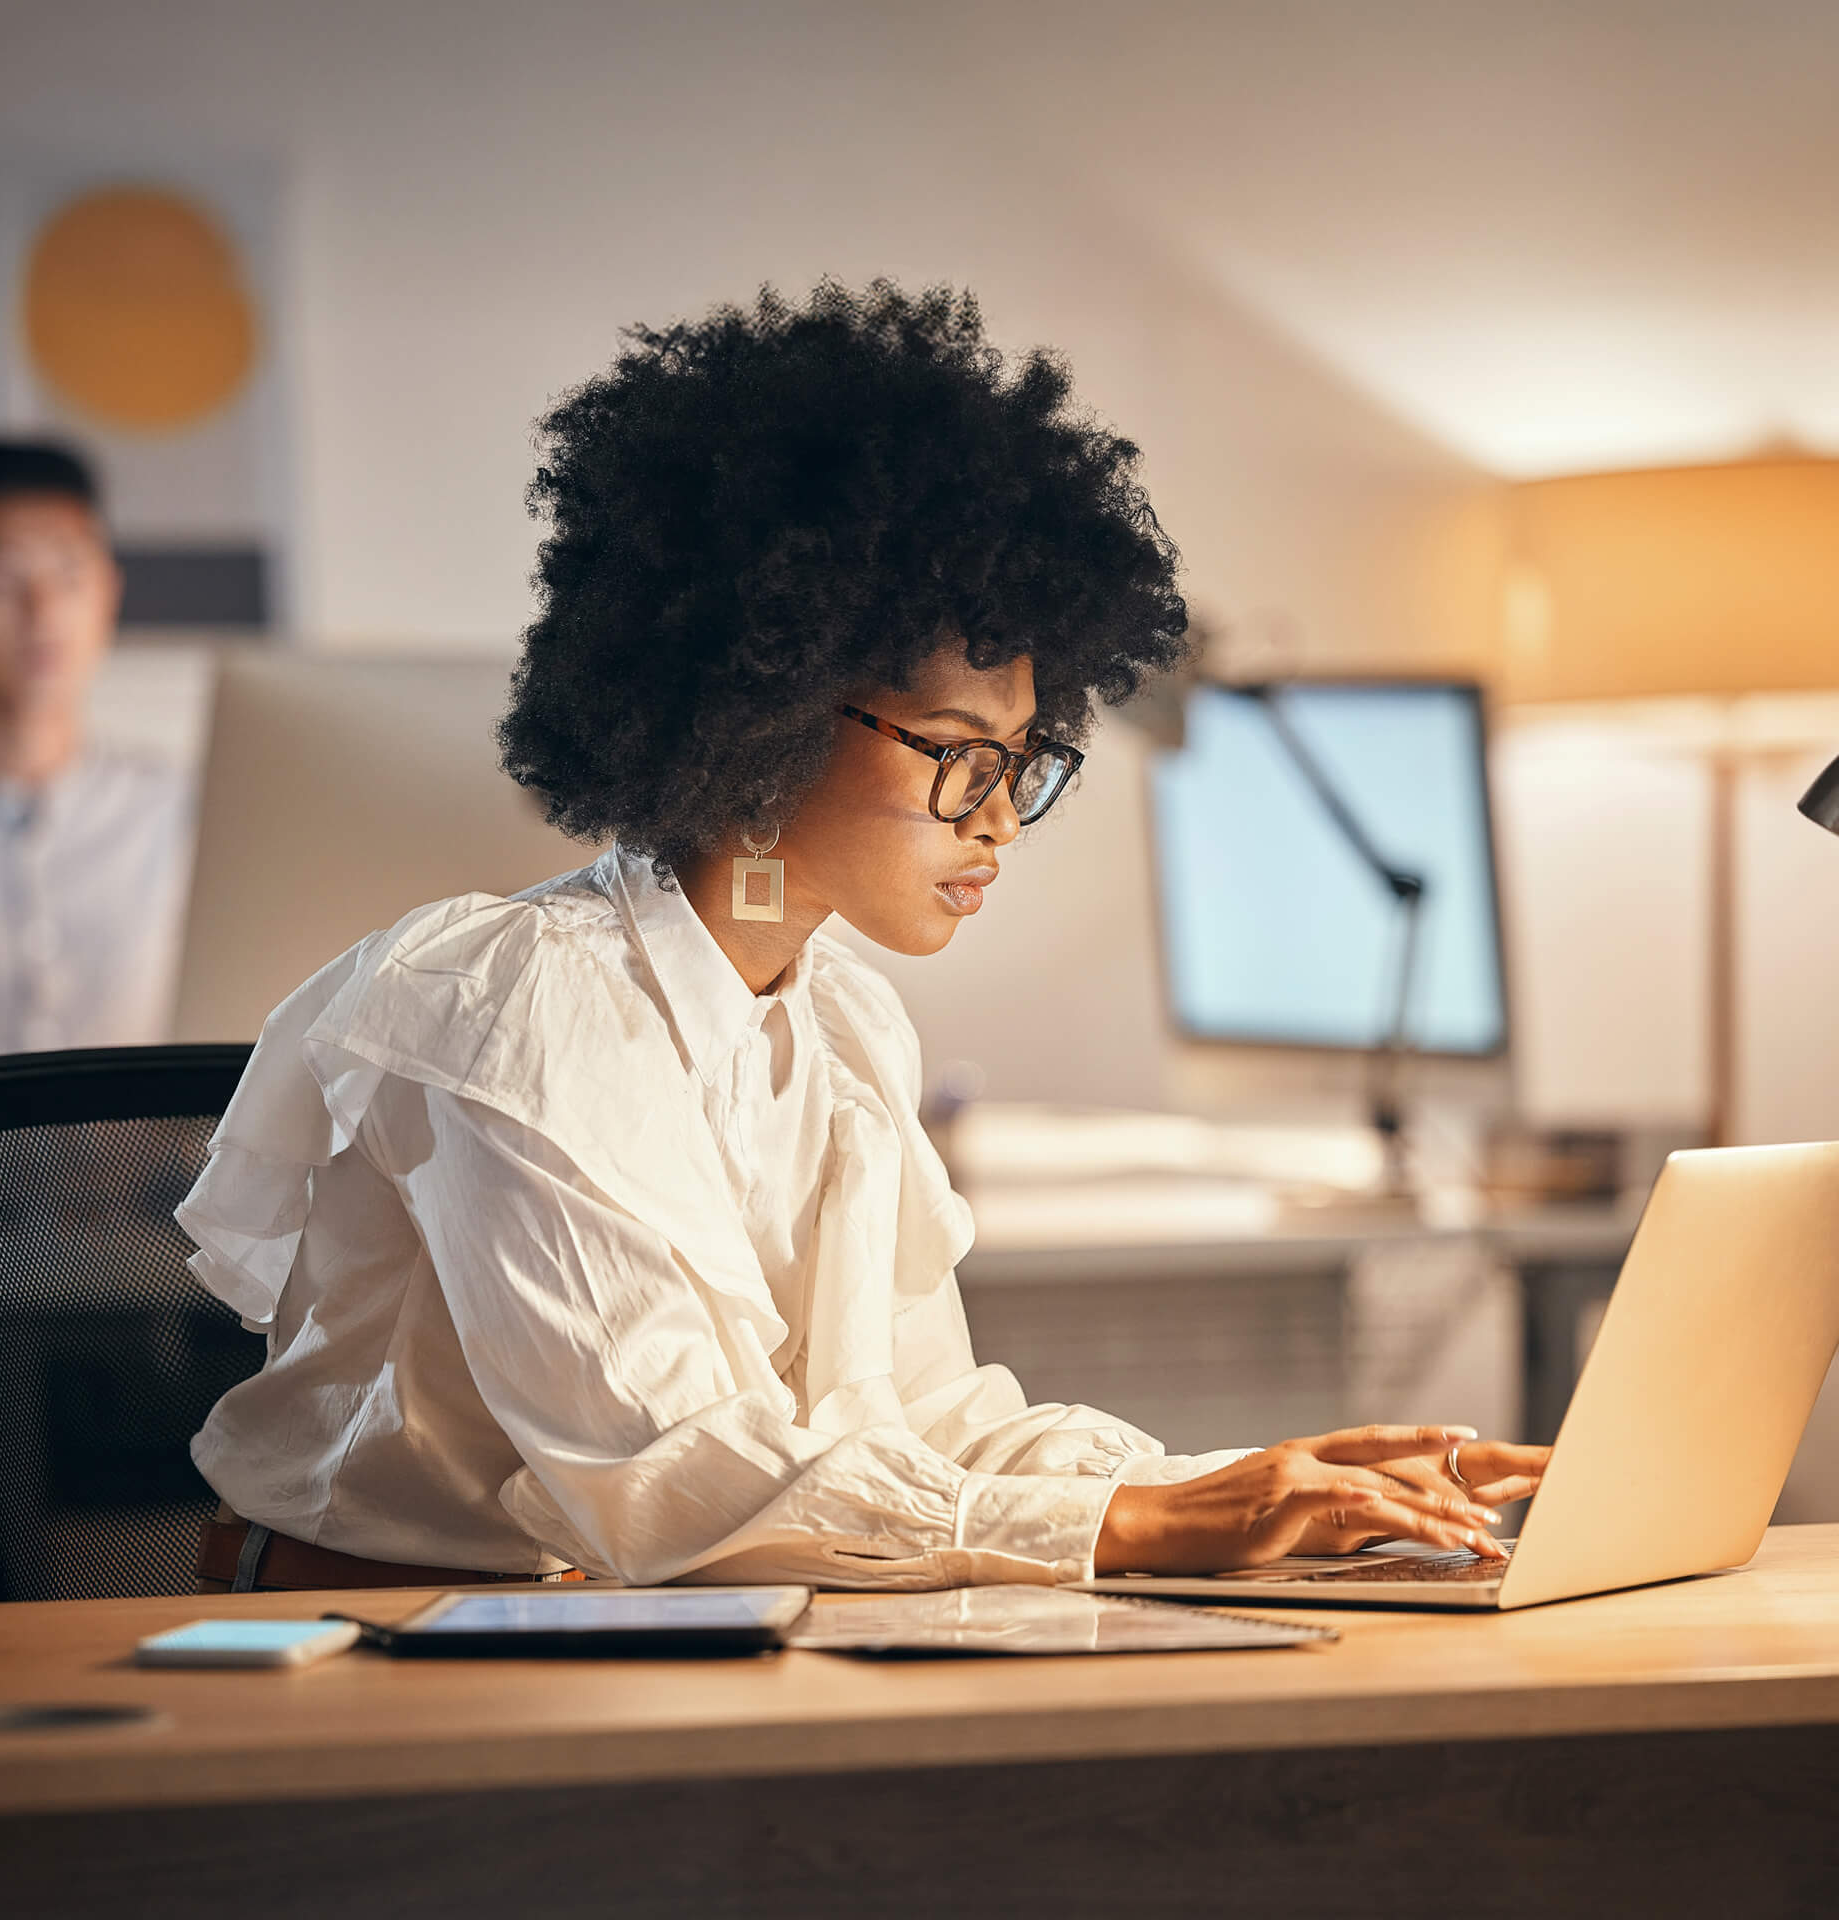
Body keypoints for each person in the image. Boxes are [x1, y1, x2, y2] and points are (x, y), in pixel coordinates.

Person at [182, 283, 1545, 1595]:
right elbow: (684, 1477)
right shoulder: (522, 1012)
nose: (1001, 819)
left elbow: (917, 1430)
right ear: (764, 715)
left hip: (611, 1633)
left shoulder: (835, 1028)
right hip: (364, 1656)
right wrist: (1154, 1524)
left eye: (1026, 761)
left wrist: (1263, 1480)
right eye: (958, 756)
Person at [0, 439, 193, 1066]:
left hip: (173, 1166)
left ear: (109, 592)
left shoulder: (189, 818)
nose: (41, 611)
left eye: (69, 575)